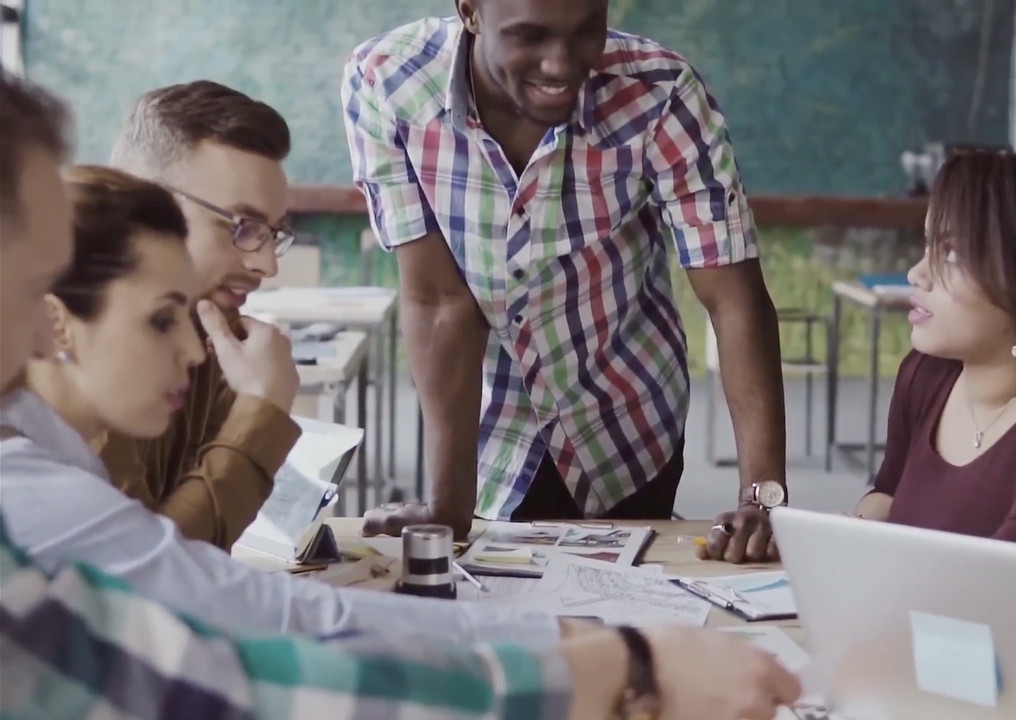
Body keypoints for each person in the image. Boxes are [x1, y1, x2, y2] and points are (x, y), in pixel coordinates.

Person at [0, 71, 800, 720]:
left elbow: (235, 608)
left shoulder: (121, 406)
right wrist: (608, 665)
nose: (265, 264)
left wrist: (575, 648)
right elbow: (241, 649)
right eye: (40, 277)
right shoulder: (31, 492)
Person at [1, 165, 564, 648]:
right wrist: (557, 644)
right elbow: (233, 603)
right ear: (56, 323)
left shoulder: (59, 456)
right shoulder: (40, 495)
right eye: (162, 320)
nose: (192, 350)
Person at [343, 0, 790, 556]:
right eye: (529, 36)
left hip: (627, 419)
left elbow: (733, 298)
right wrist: (448, 505)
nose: (561, 65)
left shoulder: (661, 91)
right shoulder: (387, 82)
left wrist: (761, 500)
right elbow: (439, 301)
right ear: (470, 11)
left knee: (629, 594)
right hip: (489, 428)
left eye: (586, 31)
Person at [702, 151, 1016, 562]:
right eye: (928, 245)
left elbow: (1015, 568)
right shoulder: (926, 375)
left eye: (951, 254)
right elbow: (889, 494)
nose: (917, 273)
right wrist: (842, 533)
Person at [99, 80, 303, 550]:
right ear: (143, 205)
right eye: (241, 226)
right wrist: (263, 411)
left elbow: (195, 561)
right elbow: (150, 572)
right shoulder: (79, 348)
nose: (266, 265)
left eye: (273, 233)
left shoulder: (207, 330)